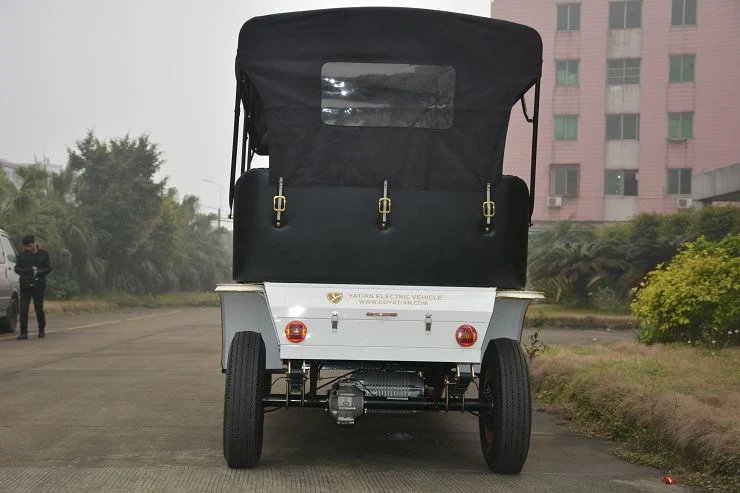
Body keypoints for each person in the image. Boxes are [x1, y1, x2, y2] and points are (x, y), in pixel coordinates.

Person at [14, 235, 52, 340]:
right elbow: (16, 268)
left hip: (38, 285)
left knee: (38, 308)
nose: (28, 249)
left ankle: (41, 330)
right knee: (23, 309)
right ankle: (23, 332)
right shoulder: (22, 255)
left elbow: (49, 268)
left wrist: (38, 272)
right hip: (25, 285)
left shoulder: (44, 254)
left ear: (34, 243)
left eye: (29, 246)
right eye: (26, 247)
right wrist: (25, 272)